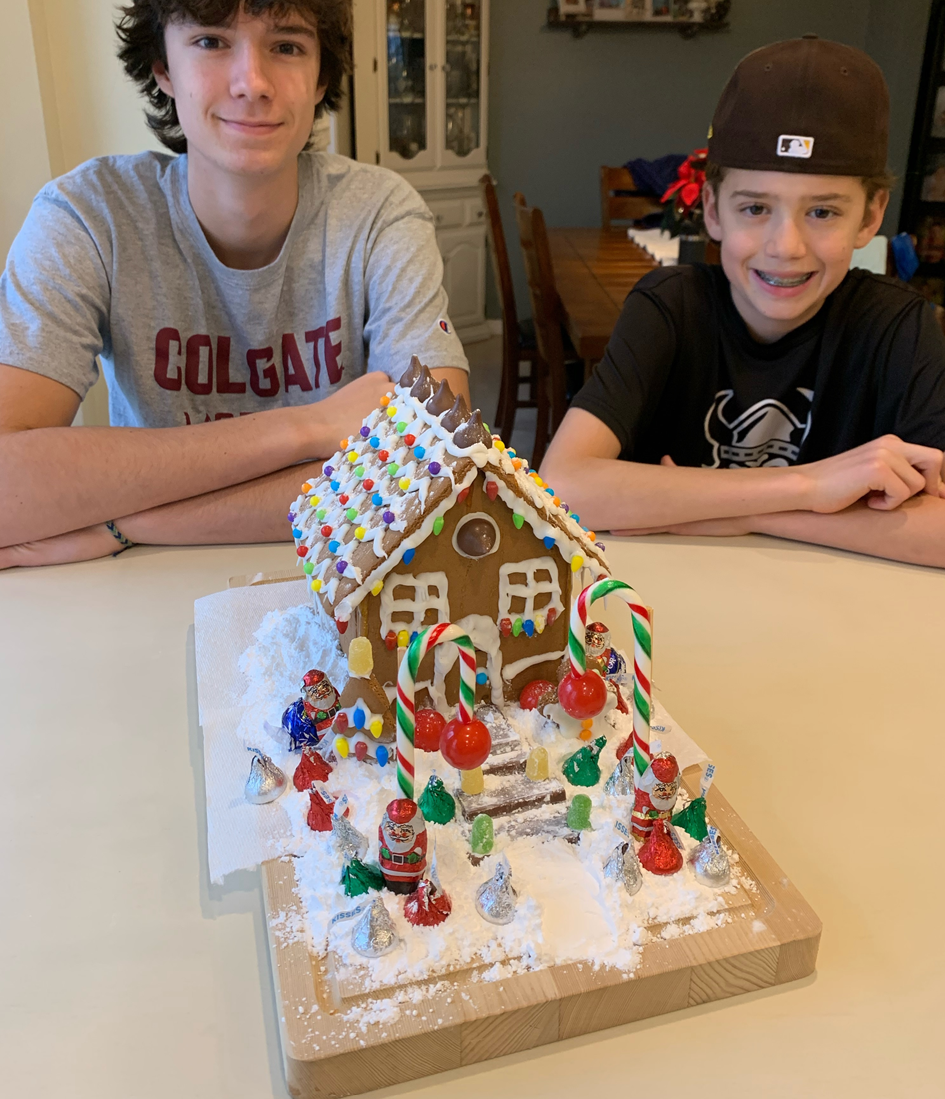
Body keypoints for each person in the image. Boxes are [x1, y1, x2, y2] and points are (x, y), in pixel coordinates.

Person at [0, 0, 469, 569]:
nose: (253, 82)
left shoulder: (379, 213)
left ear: (321, 77)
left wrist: (131, 522)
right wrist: (311, 425)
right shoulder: (86, 216)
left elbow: (436, 462)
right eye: (211, 42)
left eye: (287, 46)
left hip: (336, 581)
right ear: (162, 67)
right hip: (139, 597)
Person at [542, 36, 945, 569]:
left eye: (823, 212)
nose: (785, 247)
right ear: (712, 209)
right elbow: (562, 486)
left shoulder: (898, 326)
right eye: (755, 207)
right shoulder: (670, 307)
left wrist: (730, 508)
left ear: (870, 218)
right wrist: (810, 484)